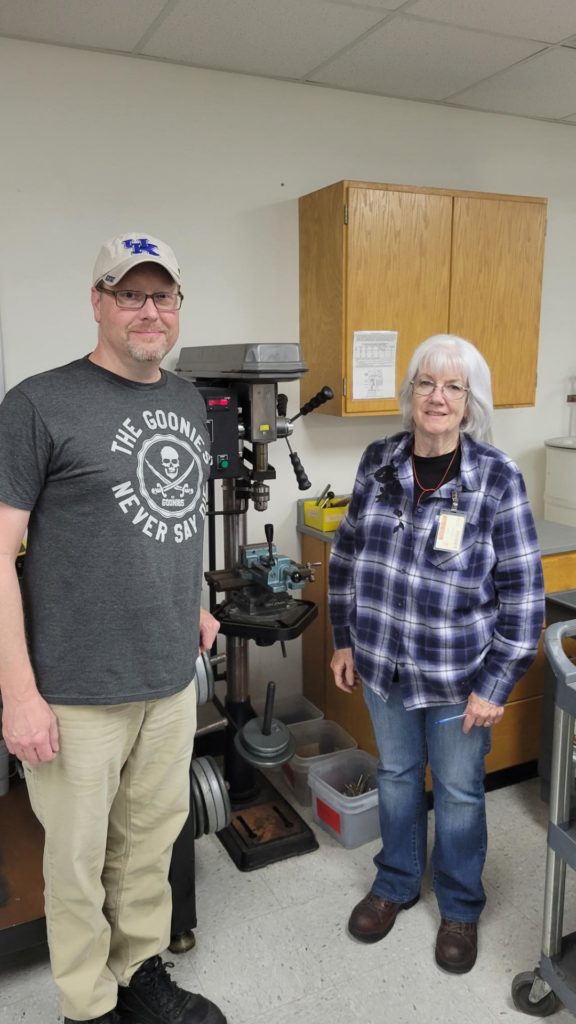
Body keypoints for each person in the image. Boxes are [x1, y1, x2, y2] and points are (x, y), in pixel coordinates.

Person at [0, 233, 226, 1024]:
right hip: (74, 688)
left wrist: (193, 599)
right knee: (76, 862)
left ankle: (138, 975)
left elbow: (176, 516)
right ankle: (87, 1008)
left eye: (162, 296)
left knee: (149, 845)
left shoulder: (188, 399)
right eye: (130, 294)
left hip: (166, 677)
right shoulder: (38, 403)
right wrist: (18, 693)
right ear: (97, 302)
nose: (148, 310)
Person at [329, 334, 545, 975]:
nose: (438, 397)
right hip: (383, 664)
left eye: (453, 386)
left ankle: (459, 905)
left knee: (456, 789)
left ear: (470, 400)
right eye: (426, 383)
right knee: (396, 775)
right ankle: (395, 882)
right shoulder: (379, 461)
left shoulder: (496, 479)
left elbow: (524, 596)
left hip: (460, 676)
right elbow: (347, 555)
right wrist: (344, 636)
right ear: (410, 393)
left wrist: (497, 684)